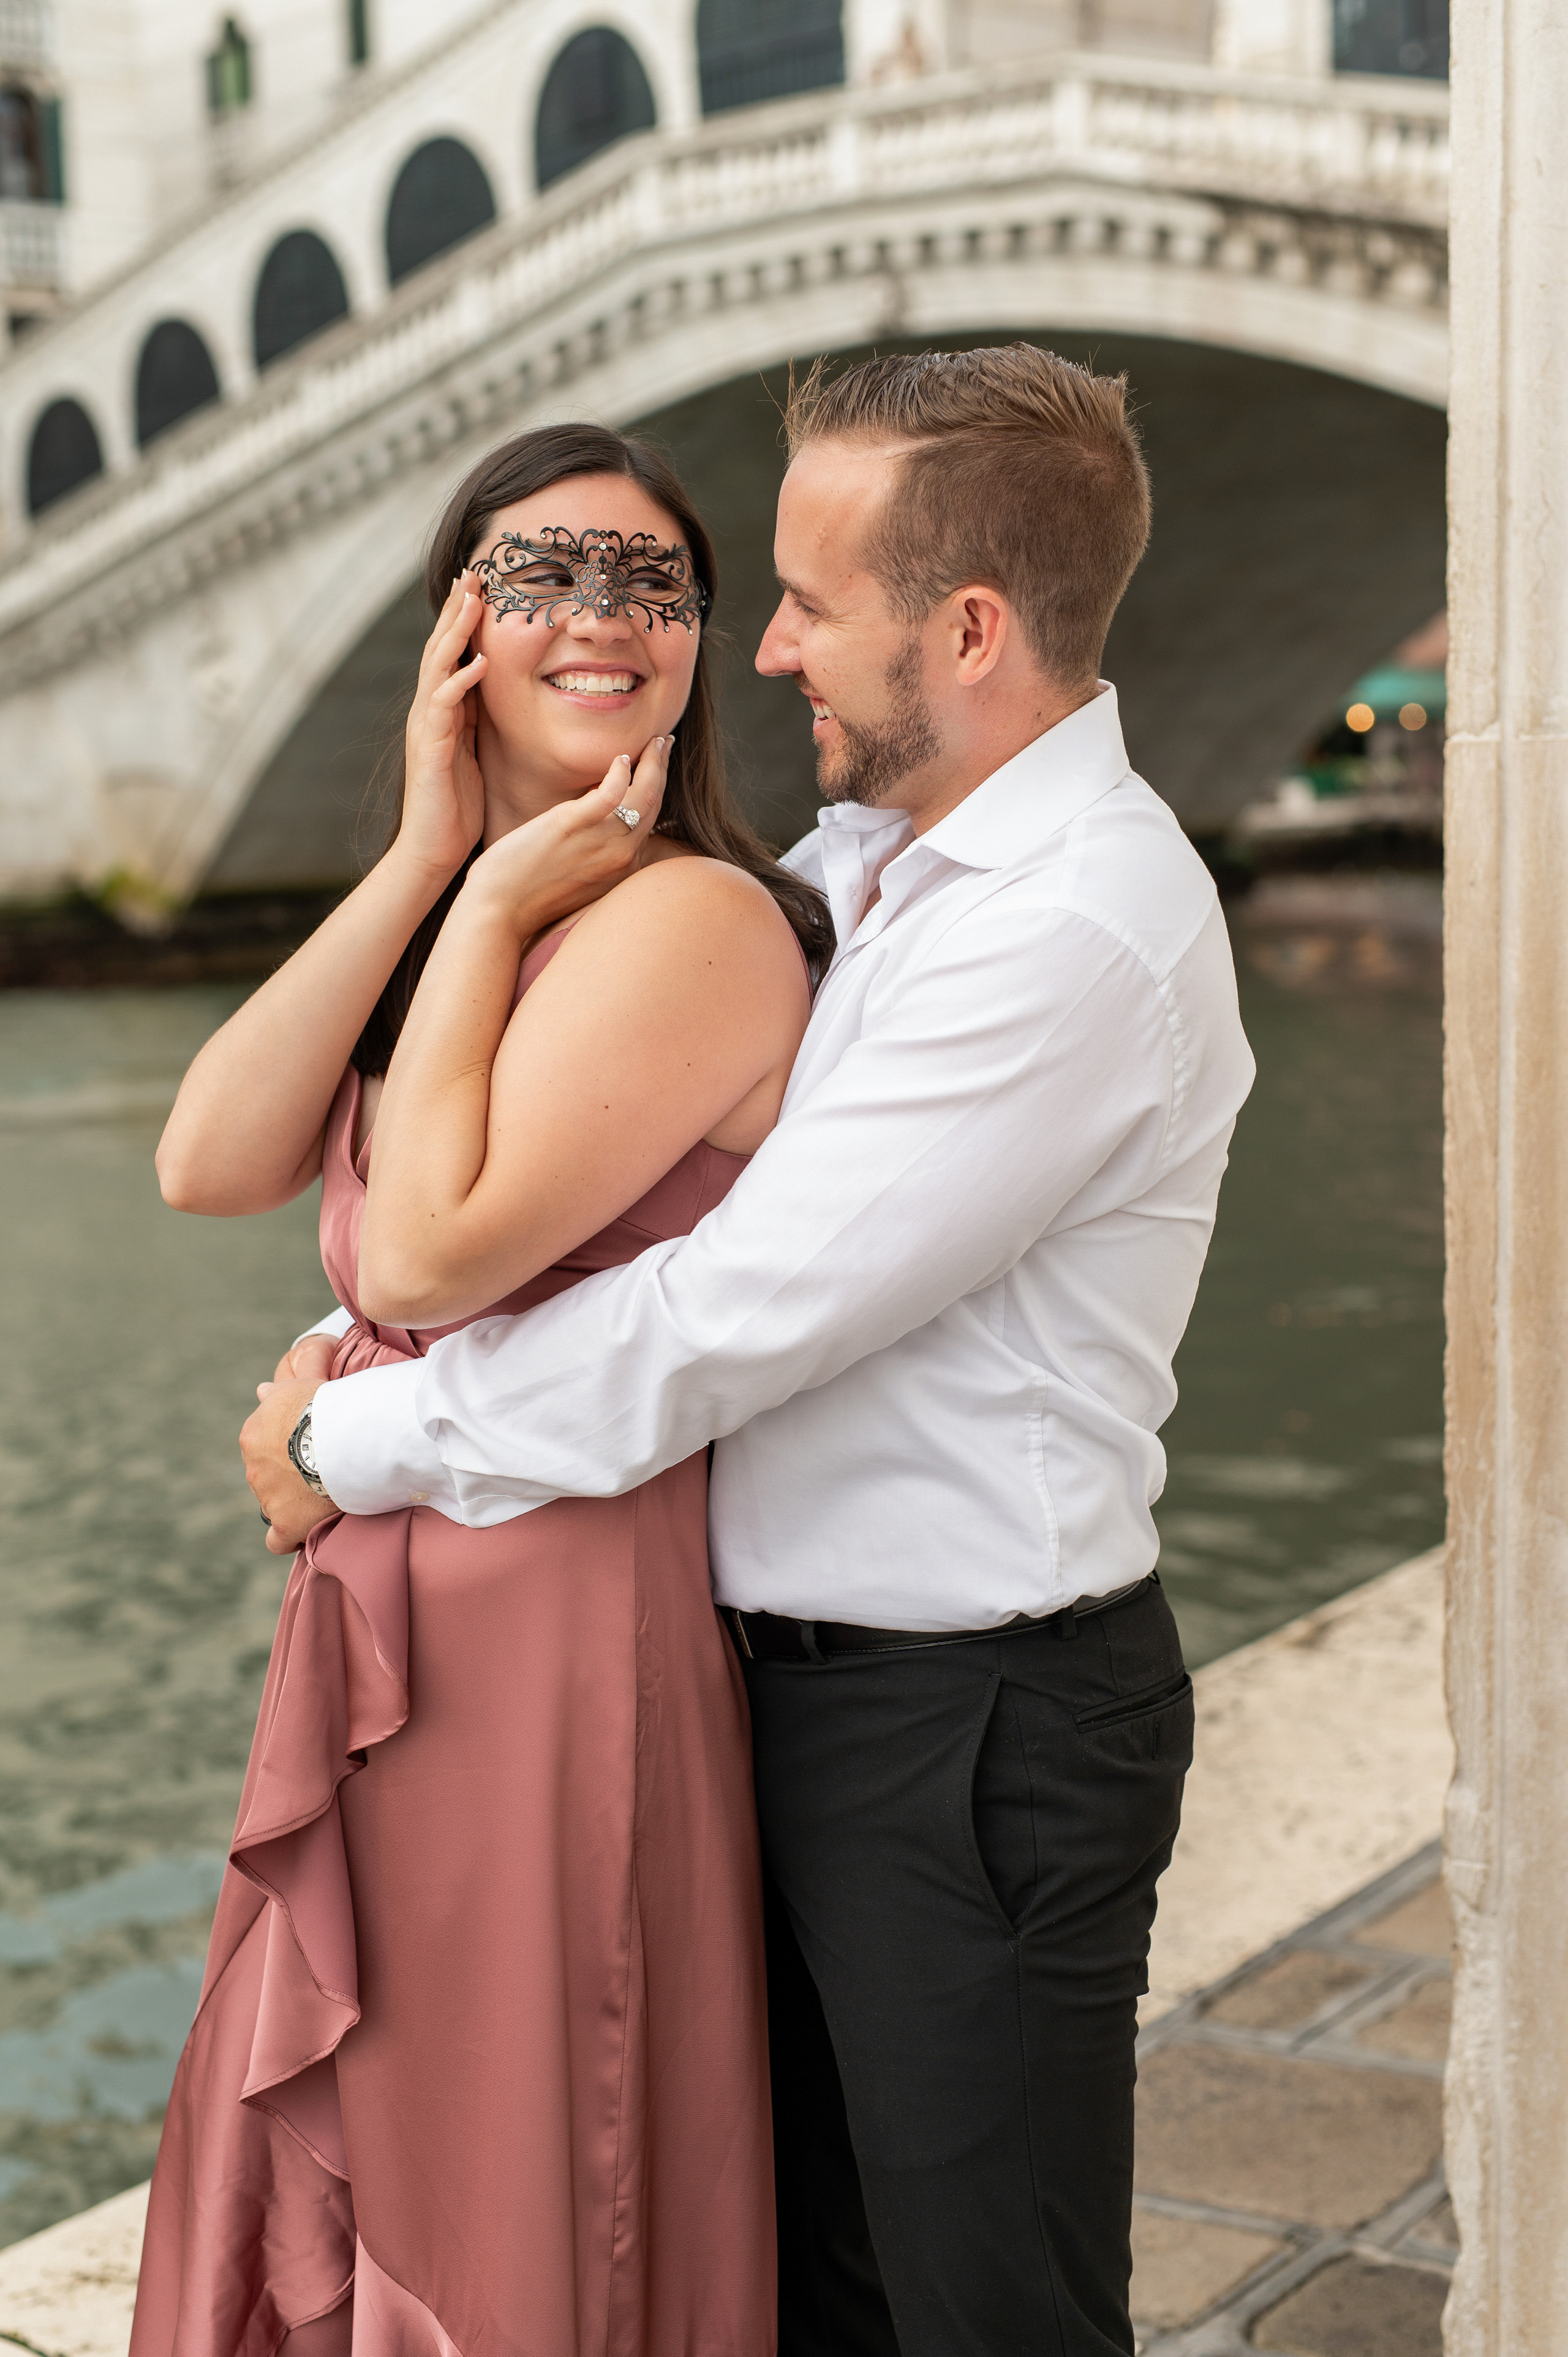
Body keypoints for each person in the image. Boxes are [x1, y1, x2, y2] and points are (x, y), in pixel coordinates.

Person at [247, 345, 1257, 2357]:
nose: (767, 643)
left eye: (807, 598)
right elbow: (575, 1195)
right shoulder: (858, 875)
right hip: (771, 1706)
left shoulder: (1071, 927)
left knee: (986, 2308)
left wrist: (359, 1438)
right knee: (806, 2296)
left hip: (969, 1730)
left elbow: (732, 1318)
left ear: (968, 628)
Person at [132, 422, 831, 2357]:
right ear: (459, 621)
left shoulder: (689, 918)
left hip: (552, 1637)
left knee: (524, 2175)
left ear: (700, 636)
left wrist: (513, 904)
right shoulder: (471, 914)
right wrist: (441, 861)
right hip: (399, 1629)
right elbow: (209, 1157)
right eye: (542, 575)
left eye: (652, 583)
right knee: (391, 2156)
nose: (600, 620)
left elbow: (429, 1256)